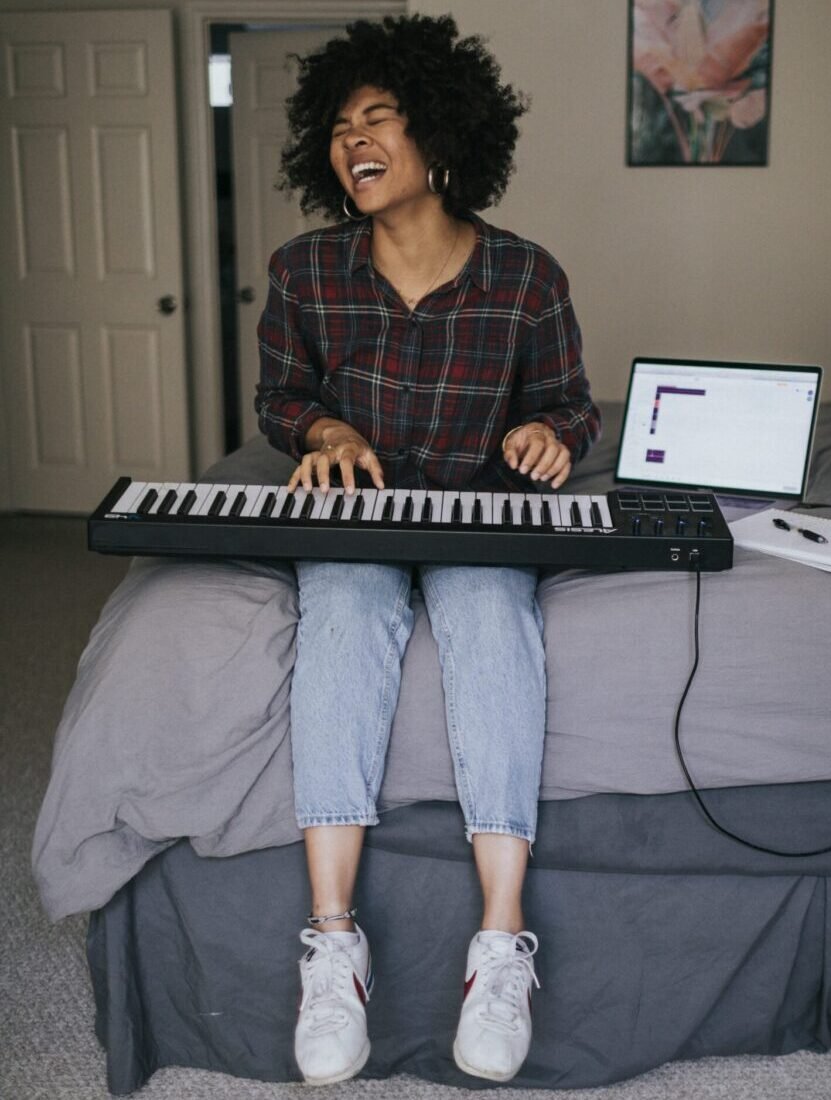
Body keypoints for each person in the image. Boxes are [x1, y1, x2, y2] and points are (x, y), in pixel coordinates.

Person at [255, 14, 600, 1086]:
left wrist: (550, 436)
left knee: (495, 619)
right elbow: (281, 399)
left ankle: (499, 944)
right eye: (338, 124)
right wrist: (326, 431)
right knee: (344, 614)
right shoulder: (305, 270)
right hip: (356, 515)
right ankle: (332, 946)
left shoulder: (526, 277)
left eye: (378, 116)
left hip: (478, 514)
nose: (350, 138)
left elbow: (572, 407)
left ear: (439, 132)